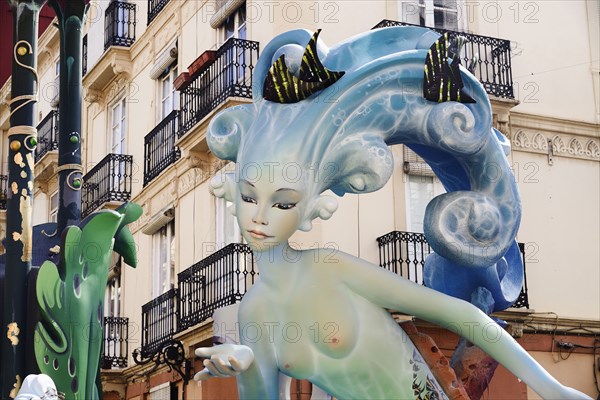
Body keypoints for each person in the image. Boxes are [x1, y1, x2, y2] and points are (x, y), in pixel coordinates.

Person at [194, 27, 591, 400]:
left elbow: (459, 315)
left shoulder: (328, 269)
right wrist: (244, 367)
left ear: (312, 204)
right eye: (249, 197)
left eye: (284, 203)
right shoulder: (254, 313)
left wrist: (549, 386)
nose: (260, 218)